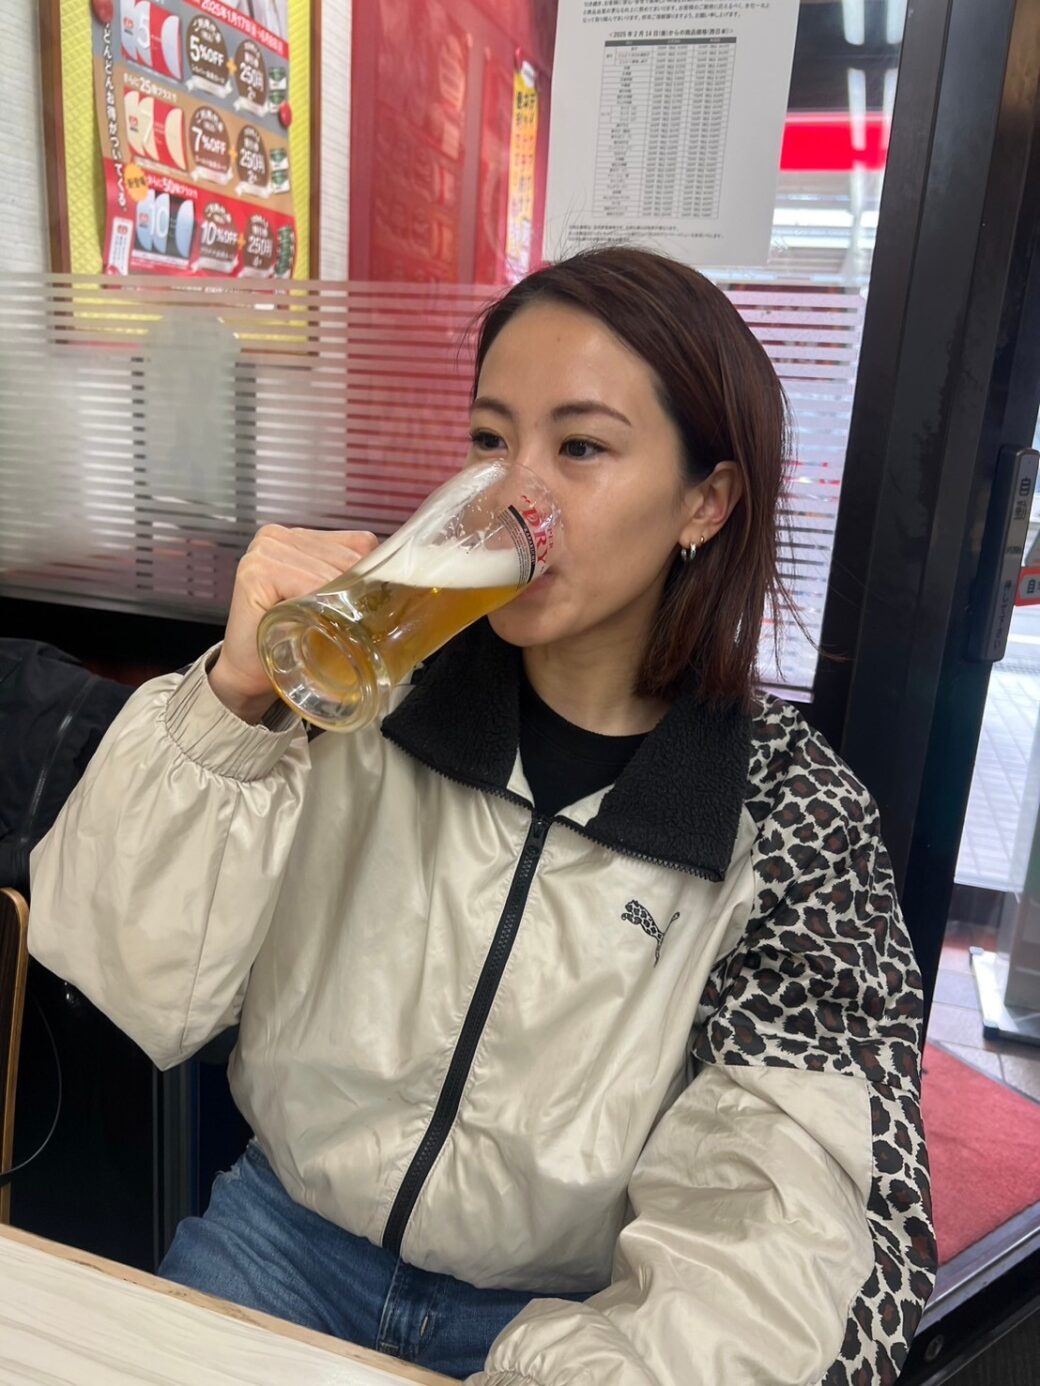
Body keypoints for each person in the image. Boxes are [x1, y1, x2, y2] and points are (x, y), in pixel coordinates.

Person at [29, 247, 936, 1385]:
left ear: (704, 503)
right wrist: (233, 701)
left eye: (580, 447)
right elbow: (122, 971)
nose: (515, 493)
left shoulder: (791, 815)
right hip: (281, 1239)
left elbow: (775, 1212)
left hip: (561, 1322)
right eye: (490, 440)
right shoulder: (368, 686)